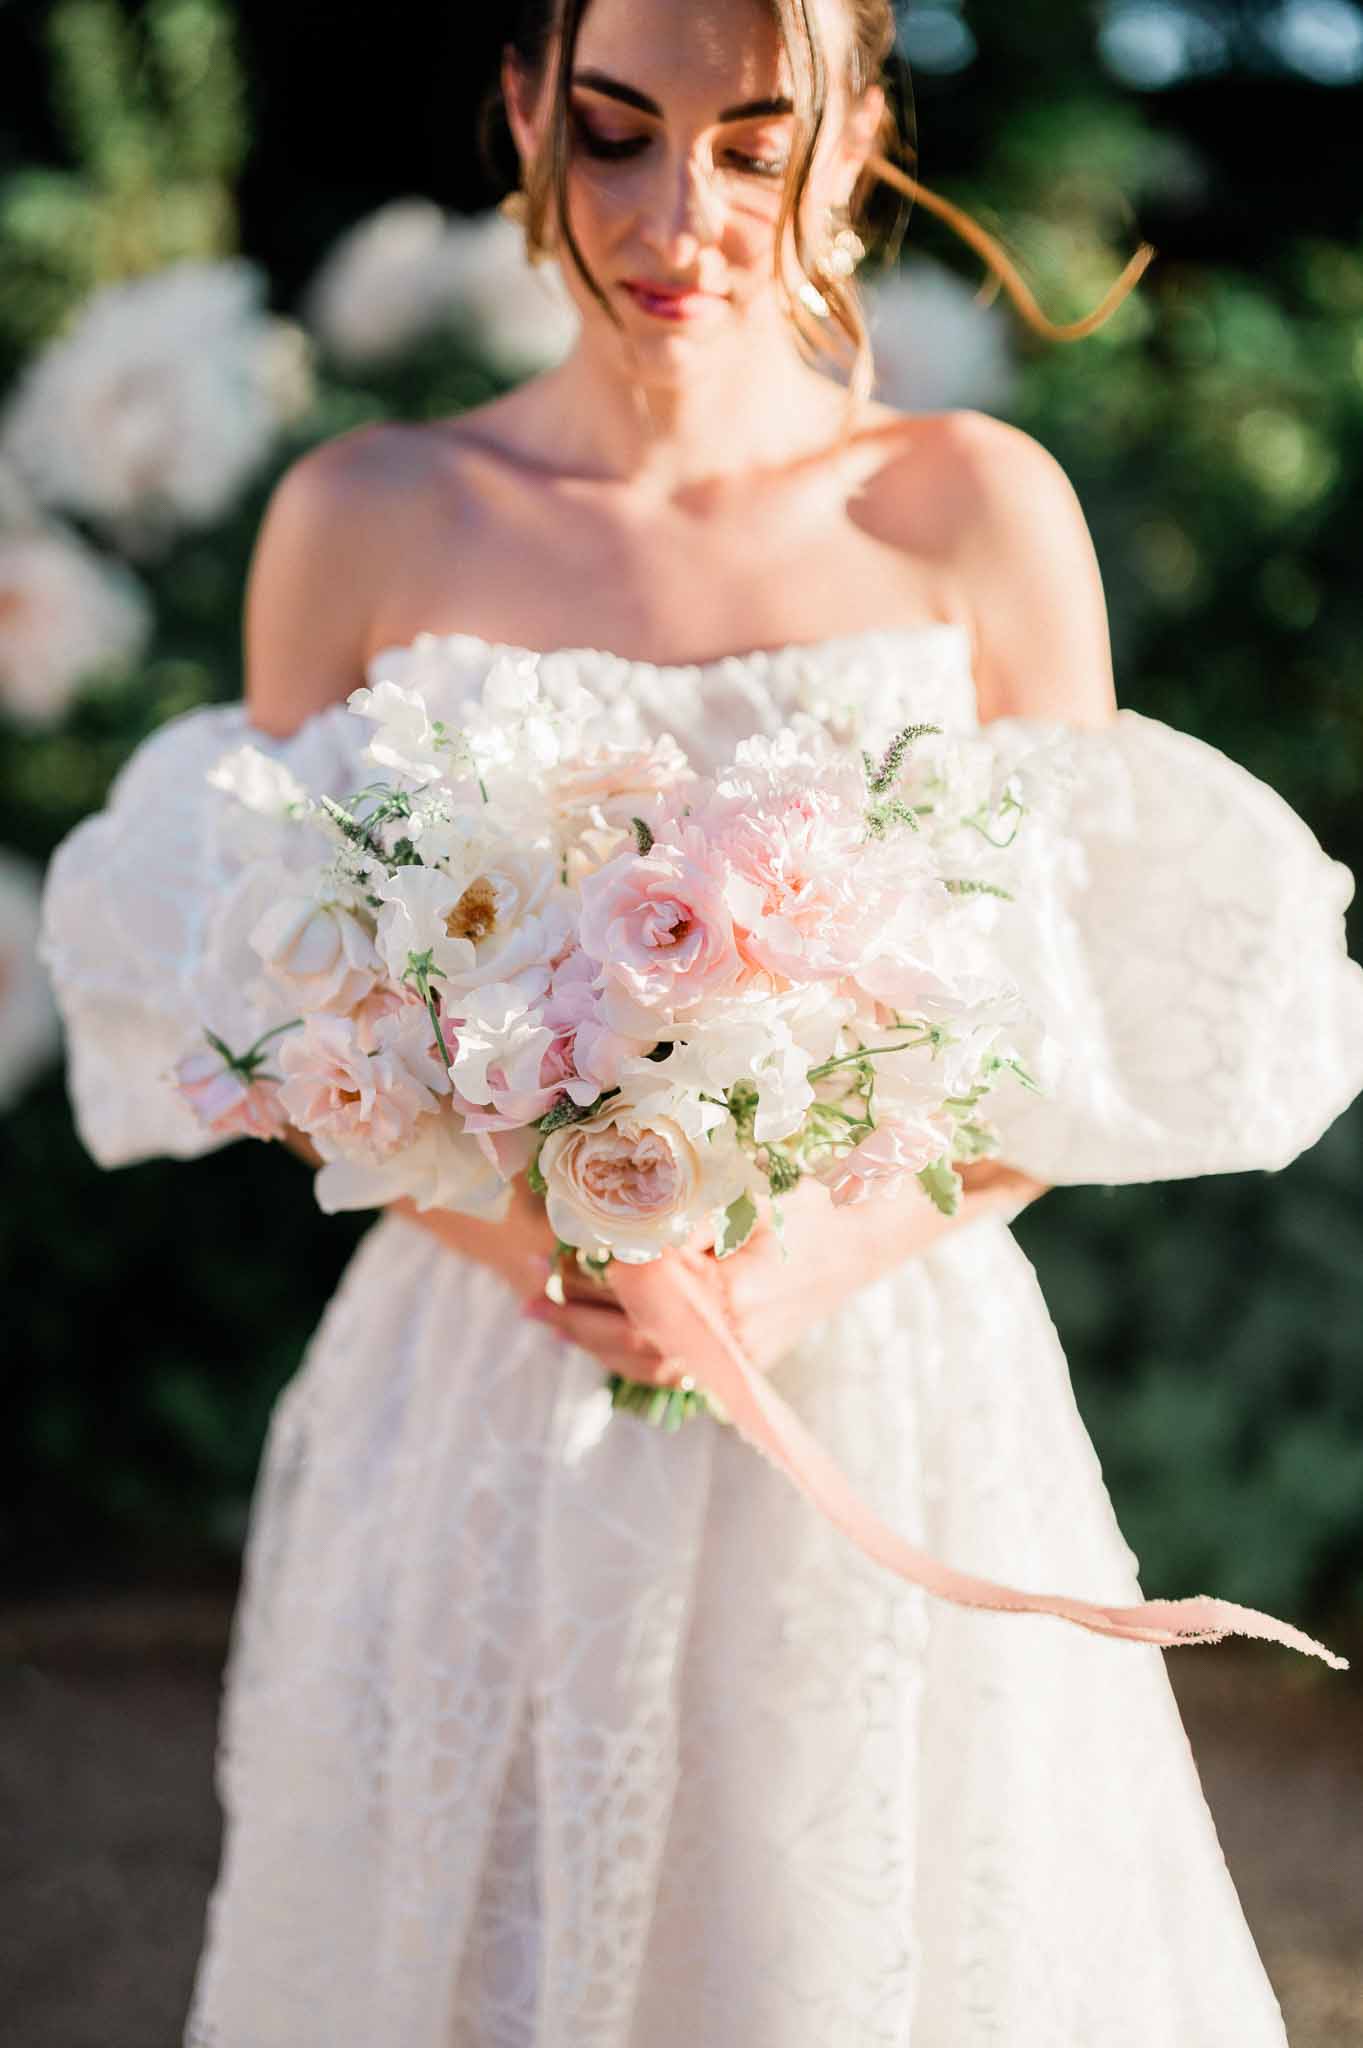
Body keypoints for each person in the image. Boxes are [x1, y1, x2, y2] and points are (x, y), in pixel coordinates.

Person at [35, 0, 1363, 2041]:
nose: (681, 216)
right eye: (617, 133)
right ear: (520, 110)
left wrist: (806, 1259)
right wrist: (537, 1240)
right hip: (483, 1387)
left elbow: (1069, 1020)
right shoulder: (366, 513)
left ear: (858, 135)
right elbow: (271, 1004)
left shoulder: (971, 510)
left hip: (885, 1376)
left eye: (755, 142)